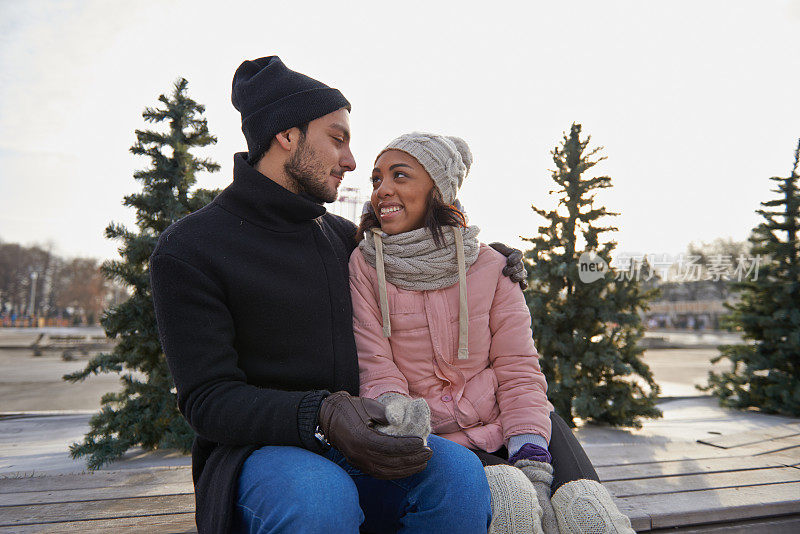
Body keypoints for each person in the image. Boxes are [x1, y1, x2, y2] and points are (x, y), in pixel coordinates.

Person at [149, 56, 527, 533]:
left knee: (457, 476)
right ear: (287, 135)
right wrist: (319, 412)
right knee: (322, 498)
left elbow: (420, 252)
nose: (350, 161)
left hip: (367, 442)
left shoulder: (345, 239)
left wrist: (481, 257)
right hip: (263, 455)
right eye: (337, 138)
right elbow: (207, 400)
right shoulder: (192, 248)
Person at [349, 133, 636, 534]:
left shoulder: (490, 265)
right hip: (437, 439)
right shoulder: (363, 266)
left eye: (401, 176)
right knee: (511, 500)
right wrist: (402, 419)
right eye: (377, 179)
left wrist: (530, 451)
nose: (383, 190)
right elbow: (376, 366)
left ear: (439, 188)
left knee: (588, 513)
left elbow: (517, 367)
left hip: (510, 417)